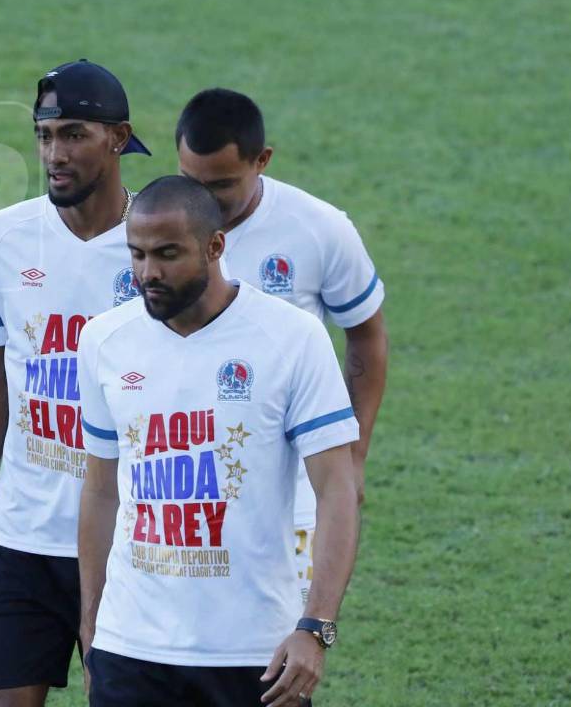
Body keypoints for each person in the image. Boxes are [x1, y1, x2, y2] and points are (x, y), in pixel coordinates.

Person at [76, 175, 361, 707]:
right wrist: (92, 627)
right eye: (135, 254)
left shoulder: (292, 337)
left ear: (214, 246)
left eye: (166, 254)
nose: (147, 273)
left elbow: (338, 491)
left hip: (255, 653)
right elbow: (99, 491)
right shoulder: (104, 341)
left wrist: (316, 626)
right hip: (130, 647)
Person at [0, 59, 151, 705]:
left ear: (118, 139)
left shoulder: (159, 245)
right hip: (21, 543)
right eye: (44, 135)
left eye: (72, 134)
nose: (53, 153)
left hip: (131, 544)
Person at [176, 89, 388, 603]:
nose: (203, 201)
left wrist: (353, 454)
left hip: (289, 491)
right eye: (191, 182)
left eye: (222, 185)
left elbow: (366, 335)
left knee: (278, 658)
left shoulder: (319, 230)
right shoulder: (156, 231)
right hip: (183, 482)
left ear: (262, 161)